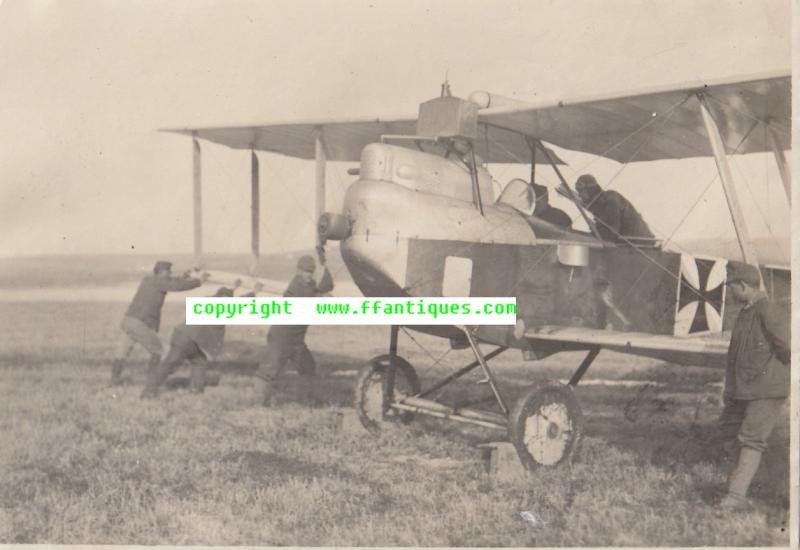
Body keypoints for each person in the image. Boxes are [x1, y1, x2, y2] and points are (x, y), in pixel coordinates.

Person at [716, 261, 790, 510]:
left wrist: (773, 375)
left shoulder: (768, 310)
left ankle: (735, 498)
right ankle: (735, 489)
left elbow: (790, 347)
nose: (730, 293)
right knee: (729, 432)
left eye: (732, 287)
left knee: (751, 439)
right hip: (745, 390)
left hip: (766, 390)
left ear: (743, 285)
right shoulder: (747, 312)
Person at [256, 250, 333, 406]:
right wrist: (321, 297)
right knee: (269, 371)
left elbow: (327, 285)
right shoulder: (297, 286)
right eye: (306, 272)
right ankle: (259, 403)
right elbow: (308, 300)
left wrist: (324, 265)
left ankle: (306, 401)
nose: (309, 275)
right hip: (282, 337)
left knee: (308, 366)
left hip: (296, 340)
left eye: (311, 272)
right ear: (299, 271)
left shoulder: (308, 284)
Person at [110, 260, 203, 386]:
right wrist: (199, 281)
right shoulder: (160, 282)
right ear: (162, 272)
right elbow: (177, 286)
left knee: (122, 352)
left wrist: (184, 276)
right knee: (158, 351)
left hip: (128, 321)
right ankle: (151, 381)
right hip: (139, 324)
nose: (170, 273)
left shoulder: (148, 280)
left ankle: (114, 380)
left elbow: (171, 282)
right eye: (168, 272)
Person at [140, 286, 242, 398]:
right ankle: (149, 390)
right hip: (189, 339)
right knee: (171, 362)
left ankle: (195, 391)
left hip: (186, 337)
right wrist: (254, 292)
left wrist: (236, 287)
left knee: (198, 362)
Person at [574, 174, 654, 243]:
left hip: (640, 245)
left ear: (590, 190)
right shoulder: (600, 203)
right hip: (627, 243)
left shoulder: (610, 201)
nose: (580, 195)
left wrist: (595, 228)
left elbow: (611, 234)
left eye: (581, 191)